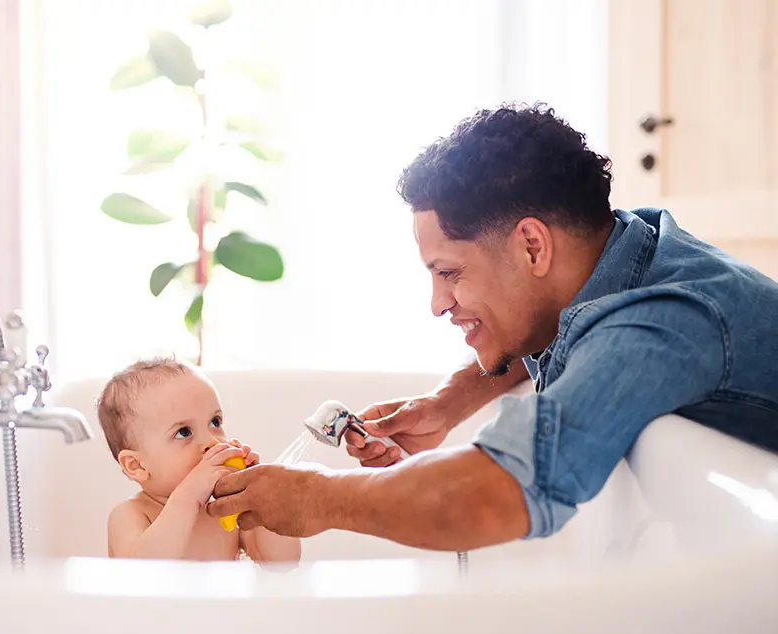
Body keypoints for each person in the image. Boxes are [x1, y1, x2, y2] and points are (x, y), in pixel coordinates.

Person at [206, 102, 778, 550]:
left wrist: (317, 499)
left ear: (532, 245)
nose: (437, 303)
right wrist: (448, 402)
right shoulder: (623, 253)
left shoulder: (660, 323)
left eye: (449, 272)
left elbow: (496, 496)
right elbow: (553, 320)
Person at [99, 357, 301, 563]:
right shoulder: (130, 515)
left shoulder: (225, 510)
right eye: (183, 432)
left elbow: (282, 561)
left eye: (215, 422)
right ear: (137, 465)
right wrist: (189, 496)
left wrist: (259, 500)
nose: (211, 441)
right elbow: (143, 573)